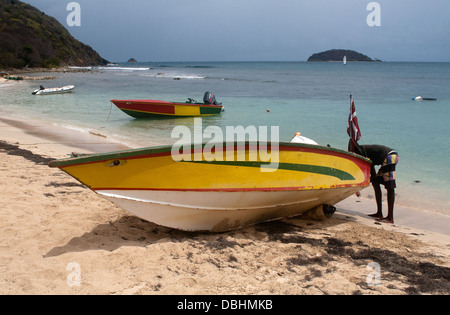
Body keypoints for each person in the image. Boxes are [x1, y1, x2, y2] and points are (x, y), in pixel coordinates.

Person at [349, 142, 399, 223]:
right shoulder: (363, 150)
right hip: (389, 157)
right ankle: (379, 213)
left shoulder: (362, 153)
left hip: (390, 157)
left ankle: (390, 218)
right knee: (375, 183)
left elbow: (371, 172)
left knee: (390, 187)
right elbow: (373, 175)